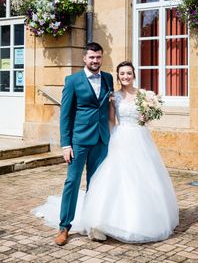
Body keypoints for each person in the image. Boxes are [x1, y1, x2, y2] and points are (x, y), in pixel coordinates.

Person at [33, 60, 179, 244]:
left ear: (134, 74)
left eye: (129, 73)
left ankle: (134, 220)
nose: (126, 76)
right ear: (118, 77)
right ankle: (70, 225)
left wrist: (145, 117)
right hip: (111, 138)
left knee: (139, 180)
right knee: (81, 180)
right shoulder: (113, 95)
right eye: (122, 74)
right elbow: (110, 120)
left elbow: (147, 117)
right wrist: (72, 144)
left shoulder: (144, 95)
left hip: (140, 139)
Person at [53, 42, 114, 246]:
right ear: (84, 59)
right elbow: (65, 115)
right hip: (79, 141)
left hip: (101, 139)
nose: (95, 61)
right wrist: (65, 144)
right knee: (72, 182)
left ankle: (93, 223)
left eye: (98, 57)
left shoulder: (108, 78)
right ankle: (64, 227)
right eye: (91, 57)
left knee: (96, 184)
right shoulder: (72, 81)